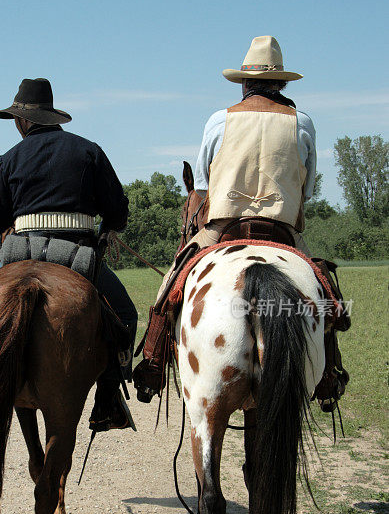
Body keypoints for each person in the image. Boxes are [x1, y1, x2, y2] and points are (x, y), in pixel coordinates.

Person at [133, 36, 349, 408]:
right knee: (326, 293)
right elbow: (309, 188)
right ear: (282, 82)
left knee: (171, 284)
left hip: (224, 227)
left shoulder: (220, 120)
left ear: (244, 83)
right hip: (284, 231)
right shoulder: (303, 122)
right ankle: (328, 375)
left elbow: (201, 184)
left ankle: (152, 362)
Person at [0, 77, 138, 431]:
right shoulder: (88, 151)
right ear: (51, 117)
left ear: (22, 121)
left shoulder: (7, 159)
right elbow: (118, 211)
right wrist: (106, 228)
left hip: (18, 252)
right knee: (124, 314)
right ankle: (108, 398)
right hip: (78, 255)